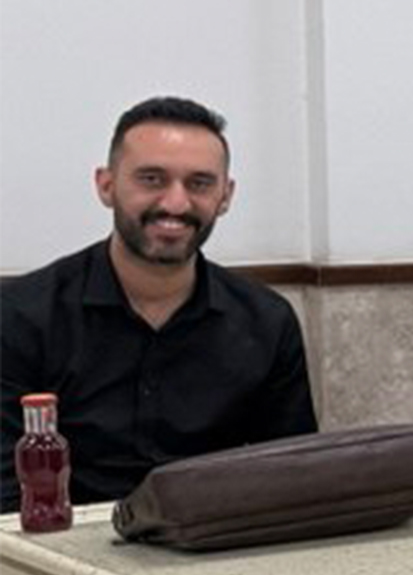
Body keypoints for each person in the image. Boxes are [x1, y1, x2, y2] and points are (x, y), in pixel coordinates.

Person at [0, 96, 316, 507]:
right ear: (106, 186)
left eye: (199, 183)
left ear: (225, 195)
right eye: (152, 179)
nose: (175, 203)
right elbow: (5, 491)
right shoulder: (21, 317)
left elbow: (292, 480)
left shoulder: (268, 323)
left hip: (213, 537)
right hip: (61, 540)